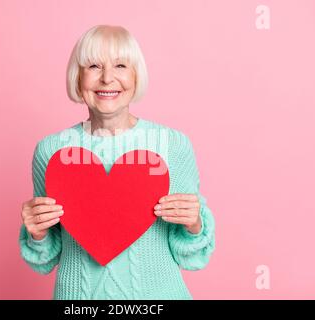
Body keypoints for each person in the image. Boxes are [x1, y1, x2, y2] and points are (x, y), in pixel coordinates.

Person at [19, 25, 215, 299]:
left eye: (121, 65)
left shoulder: (172, 145)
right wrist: (37, 233)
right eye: (94, 66)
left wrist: (194, 225)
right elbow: (45, 259)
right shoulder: (51, 151)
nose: (107, 78)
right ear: (78, 77)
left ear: (136, 76)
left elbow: (191, 255)